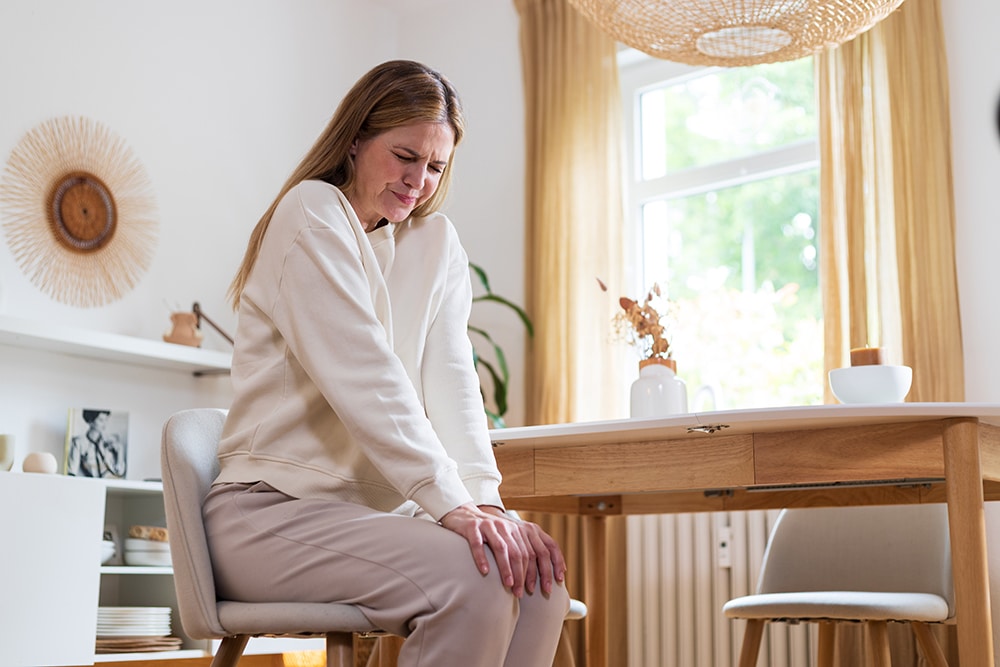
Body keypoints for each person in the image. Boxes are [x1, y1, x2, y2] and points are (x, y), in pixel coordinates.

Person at [203, 60, 569, 666]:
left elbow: (454, 385)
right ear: (355, 140)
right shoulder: (311, 213)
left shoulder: (436, 243)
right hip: (266, 514)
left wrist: (486, 506)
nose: (418, 180)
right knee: (478, 581)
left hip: (364, 523)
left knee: (537, 585)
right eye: (405, 156)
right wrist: (451, 506)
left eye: (436, 166)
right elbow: (367, 379)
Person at [66, 409, 126, 479]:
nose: (104, 424)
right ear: (91, 421)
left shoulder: (111, 441)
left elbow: (119, 472)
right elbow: (72, 472)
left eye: (106, 420)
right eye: (101, 420)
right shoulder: (78, 443)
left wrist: (120, 452)